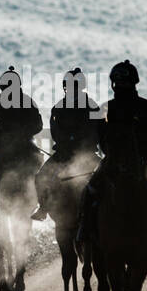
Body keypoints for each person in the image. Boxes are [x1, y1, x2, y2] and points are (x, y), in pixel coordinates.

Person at [76, 59, 147, 246]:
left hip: (139, 162)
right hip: (111, 161)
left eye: (124, 83)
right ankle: (85, 228)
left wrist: (143, 156)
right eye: (118, 83)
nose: (121, 86)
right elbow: (100, 138)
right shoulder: (104, 109)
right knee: (90, 189)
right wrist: (112, 154)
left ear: (133, 83)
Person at [32, 67, 100, 221]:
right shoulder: (59, 107)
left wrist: (79, 144)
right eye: (68, 86)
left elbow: (96, 130)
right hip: (63, 153)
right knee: (40, 177)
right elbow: (55, 131)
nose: (70, 90)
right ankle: (43, 207)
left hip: (87, 155)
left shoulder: (92, 106)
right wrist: (65, 143)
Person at [0, 65, 43, 175]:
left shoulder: (27, 101)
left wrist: (23, 133)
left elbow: (38, 124)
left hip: (24, 143)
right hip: (0, 143)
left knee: (37, 162)